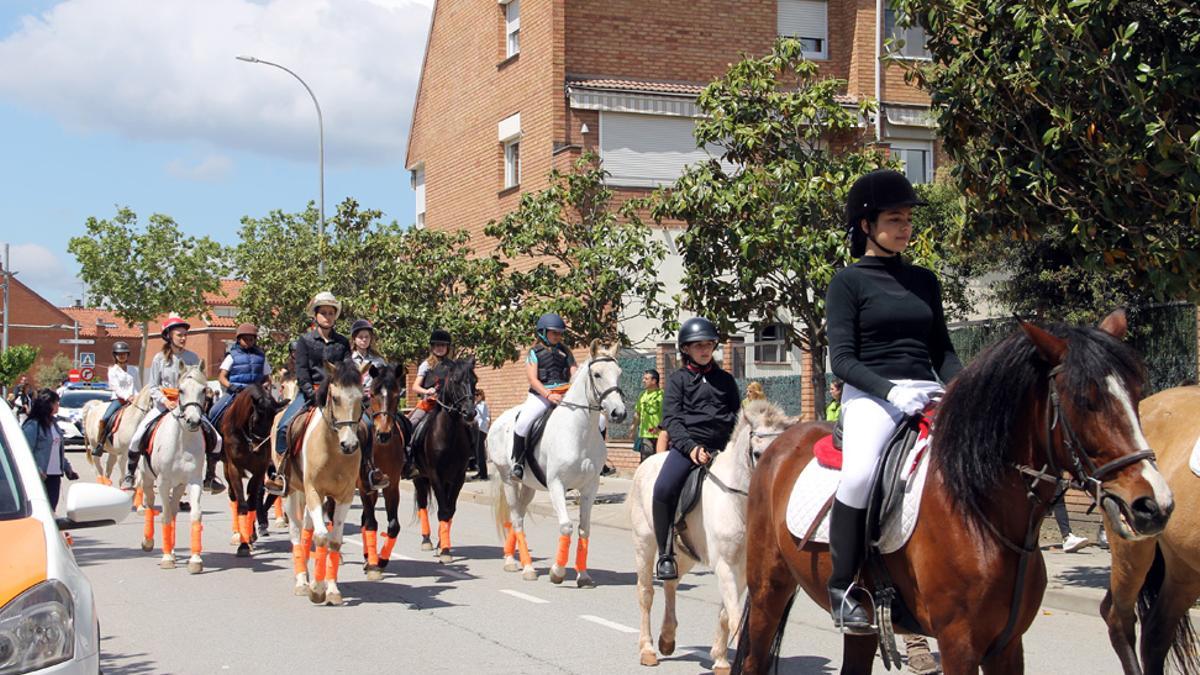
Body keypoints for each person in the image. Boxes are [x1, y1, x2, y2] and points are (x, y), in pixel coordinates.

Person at [824, 169, 963, 633]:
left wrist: (962, 389)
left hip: (926, 390)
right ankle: (843, 586)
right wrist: (890, 391)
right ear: (867, 226)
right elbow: (841, 359)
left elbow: (942, 350)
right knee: (862, 473)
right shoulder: (847, 283)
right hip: (871, 394)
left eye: (908, 219)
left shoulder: (925, 280)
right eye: (895, 219)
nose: (905, 227)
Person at [264, 293, 387, 495]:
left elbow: (348, 369)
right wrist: (309, 393)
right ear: (316, 316)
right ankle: (281, 474)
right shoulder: (304, 341)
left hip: (337, 395)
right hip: (311, 392)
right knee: (285, 425)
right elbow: (302, 371)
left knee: (368, 424)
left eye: (331, 313)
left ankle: (369, 470)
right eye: (324, 313)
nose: (328, 317)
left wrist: (352, 389)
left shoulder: (341, 343)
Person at [652, 317, 741, 580]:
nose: (704, 350)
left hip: (724, 448)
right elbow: (671, 419)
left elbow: (736, 415)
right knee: (663, 488)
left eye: (709, 344)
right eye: (698, 345)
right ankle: (666, 553)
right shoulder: (678, 380)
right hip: (688, 447)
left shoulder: (726, 380)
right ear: (686, 349)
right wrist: (691, 449)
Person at [124, 315, 223, 492]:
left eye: (185, 335)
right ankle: (130, 474)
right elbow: (153, 386)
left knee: (218, 439)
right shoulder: (159, 358)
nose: (183, 338)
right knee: (137, 436)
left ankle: (210, 477)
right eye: (180, 335)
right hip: (164, 406)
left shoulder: (193, 358)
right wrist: (164, 402)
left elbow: (200, 383)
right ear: (169, 335)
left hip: (188, 406)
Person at [511, 313, 577, 480]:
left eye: (560, 333)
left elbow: (574, 372)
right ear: (543, 332)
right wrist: (548, 395)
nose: (558, 336)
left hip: (565, 393)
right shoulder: (534, 352)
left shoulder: (566, 351)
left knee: (600, 420)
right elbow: (533, 379)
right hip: (541, 394)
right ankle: (518, 462)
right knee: (523, 422)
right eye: (554, 332)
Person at [405, 329, 455, 478]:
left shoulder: (452, 366)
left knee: (469, 425)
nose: (440, 348)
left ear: (447, 348)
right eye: (437, 345)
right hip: (429, 405)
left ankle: (470, 458)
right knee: (411, 425)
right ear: (432, 347)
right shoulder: (426, 365)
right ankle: (409, 459)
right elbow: (415, 386)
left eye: (443, 345)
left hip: (448, 406)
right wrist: (427, 391)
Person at [349, 319, 390, 490]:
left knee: (399, 422)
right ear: (354, 339)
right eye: (360, 337)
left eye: (367, 337)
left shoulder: (379, 360)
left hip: (376, 400)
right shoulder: (349, 359)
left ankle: (407, 460)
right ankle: (366, 466)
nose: (364, 340)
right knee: (364, 426)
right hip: (355, 400)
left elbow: (386, 381)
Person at [23, 389, 78, 511]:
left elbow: (57, 451)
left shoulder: (54, 423)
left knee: (52, 509)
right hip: (39, 477)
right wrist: (37, 470)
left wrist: (67, 468)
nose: (58, 405)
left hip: (54, 476)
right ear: (48, 404)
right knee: (39, 510)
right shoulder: (33, 425)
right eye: (56, 403)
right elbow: (24, 452)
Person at [208, 323, 270, 430]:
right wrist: (231, 386)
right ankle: (214, 441)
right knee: (213, 412)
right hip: (236, 392)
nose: (248, 342)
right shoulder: (232, 356)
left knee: (273, 410)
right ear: (239, 340)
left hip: (256, 394)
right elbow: (221, 377)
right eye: (245, 339)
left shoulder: (261, 357)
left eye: (251, 339)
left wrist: (263, 387)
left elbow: (268, 378)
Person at [91, 341, 141, 457]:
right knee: (105, 418)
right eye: (119, 354)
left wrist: (137, 398)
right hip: (119, 400)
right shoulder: (113, 371)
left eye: (124, 353)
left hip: (134, 400)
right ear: (115, 356)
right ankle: (100, 443)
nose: (122, 356)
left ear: (128, 355)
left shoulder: (134, 370)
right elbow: (116, 387)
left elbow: (138, 386)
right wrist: (127, 397)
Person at [633, 369, 664, 463]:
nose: (643, 381)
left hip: (661, 435)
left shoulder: (662, 395)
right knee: (646, 462)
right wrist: (633, 428)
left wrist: (659, 427)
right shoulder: (642, 395)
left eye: (646, 379)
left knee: (660, 461)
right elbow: (637, 413)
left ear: (654, 381)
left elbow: (668, 413)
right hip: (645, 435)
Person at [471, 389, 490, 481]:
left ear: (481, 396)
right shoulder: (476, 405)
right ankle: (479, 471)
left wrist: (474, 406)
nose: (475, 396)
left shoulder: (483, 405)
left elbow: (481, 416)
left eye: (477, 395)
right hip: (475, 429)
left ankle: (484, 475)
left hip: (481, 430)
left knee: (480, 452)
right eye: (475, 395)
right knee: (476, 452)